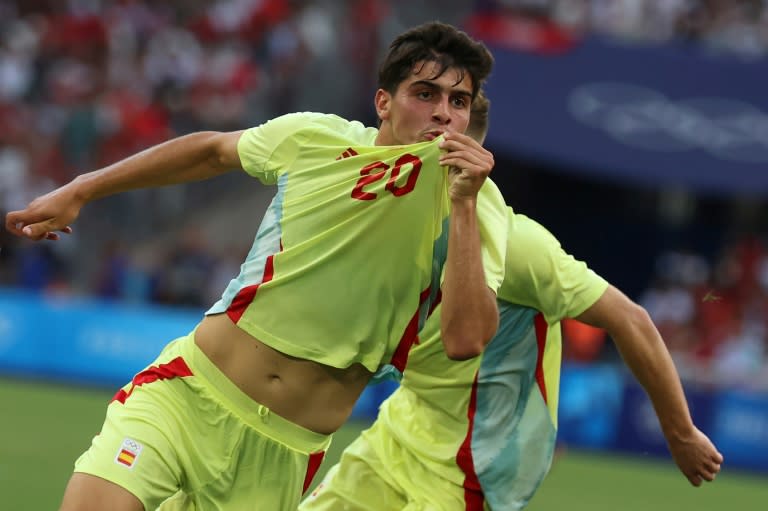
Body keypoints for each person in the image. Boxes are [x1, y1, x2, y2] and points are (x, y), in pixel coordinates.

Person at [5, 22, 509, 511]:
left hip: (284, 453)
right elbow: (211, 151)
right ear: (384, 102)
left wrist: (463, 204)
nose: (442, 113)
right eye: (425, 93)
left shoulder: (478, 211)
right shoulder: (317, 139)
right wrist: (82, 189)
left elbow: (466, 340)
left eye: (457, 102)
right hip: (190, 394)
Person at [300, 92, 724, 511]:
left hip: (467, 474)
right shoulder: (389, 217)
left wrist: (680, 433)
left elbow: (630, 320)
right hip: (394, 437)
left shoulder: (518, 246)